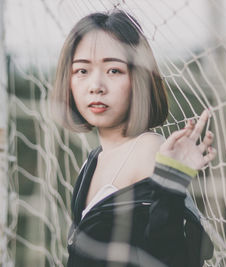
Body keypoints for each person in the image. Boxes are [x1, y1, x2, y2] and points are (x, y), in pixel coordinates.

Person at [51, 9, 217, 267]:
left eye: (114, 70)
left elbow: (171, 256)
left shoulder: (148, 150)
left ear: (139, 78)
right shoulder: (95, 157)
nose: (96, 85)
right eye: (82, 71)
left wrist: (169, 184)